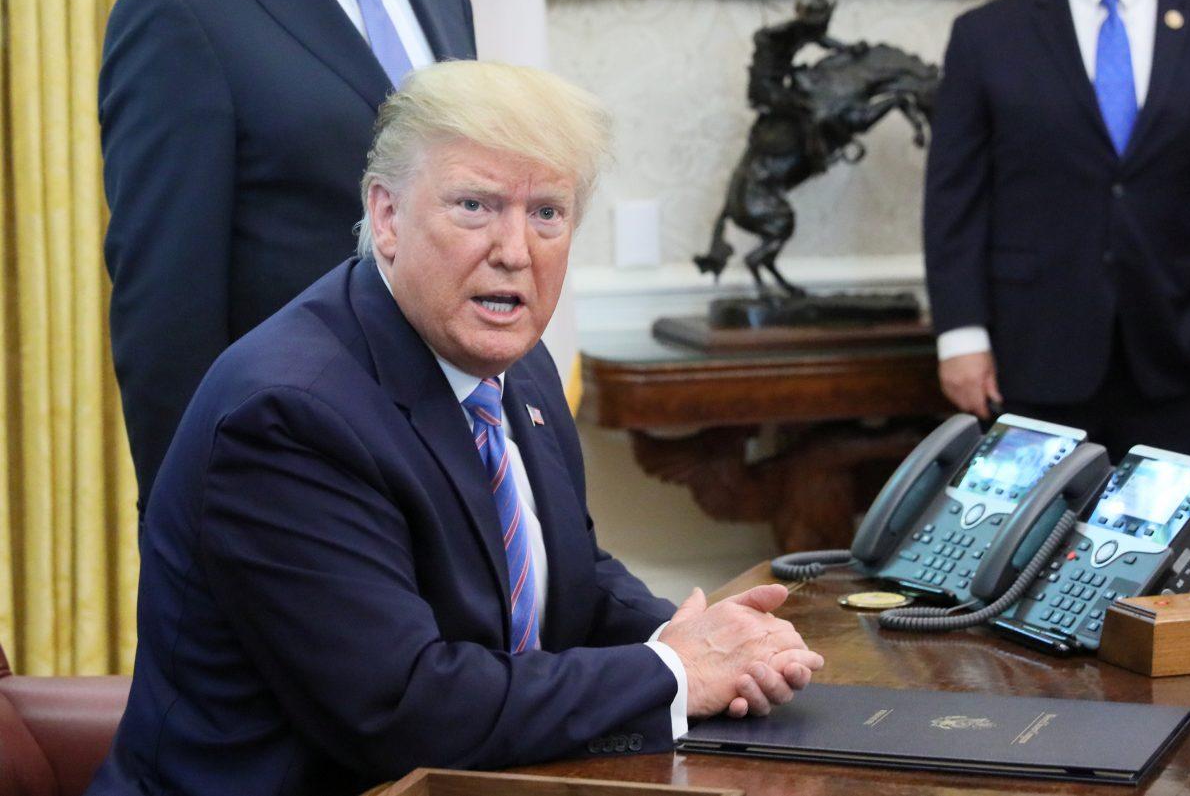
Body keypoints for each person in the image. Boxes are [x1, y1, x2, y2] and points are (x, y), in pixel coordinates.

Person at [84, 62, 825, 796]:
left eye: (547, 213)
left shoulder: (514, 363)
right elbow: (404, 707)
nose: (515, 250)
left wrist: (701, 637)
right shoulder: (288, 414)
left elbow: (571, 576)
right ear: (386, 216)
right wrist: (673, 671)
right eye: (475, 205)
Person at [98, 0, 477, 515]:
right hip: (297, 479)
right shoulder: (176, 9)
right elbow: (166, 307)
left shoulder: (445, 2)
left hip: (465, 472)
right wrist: (190, 525)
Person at [923, 0, 1190, 458]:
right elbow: (955, 195)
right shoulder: (988, 33)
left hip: (1181, 353)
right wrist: (960, 335)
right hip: (1033, 351)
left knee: (1170, 529)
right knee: (1034, 528)